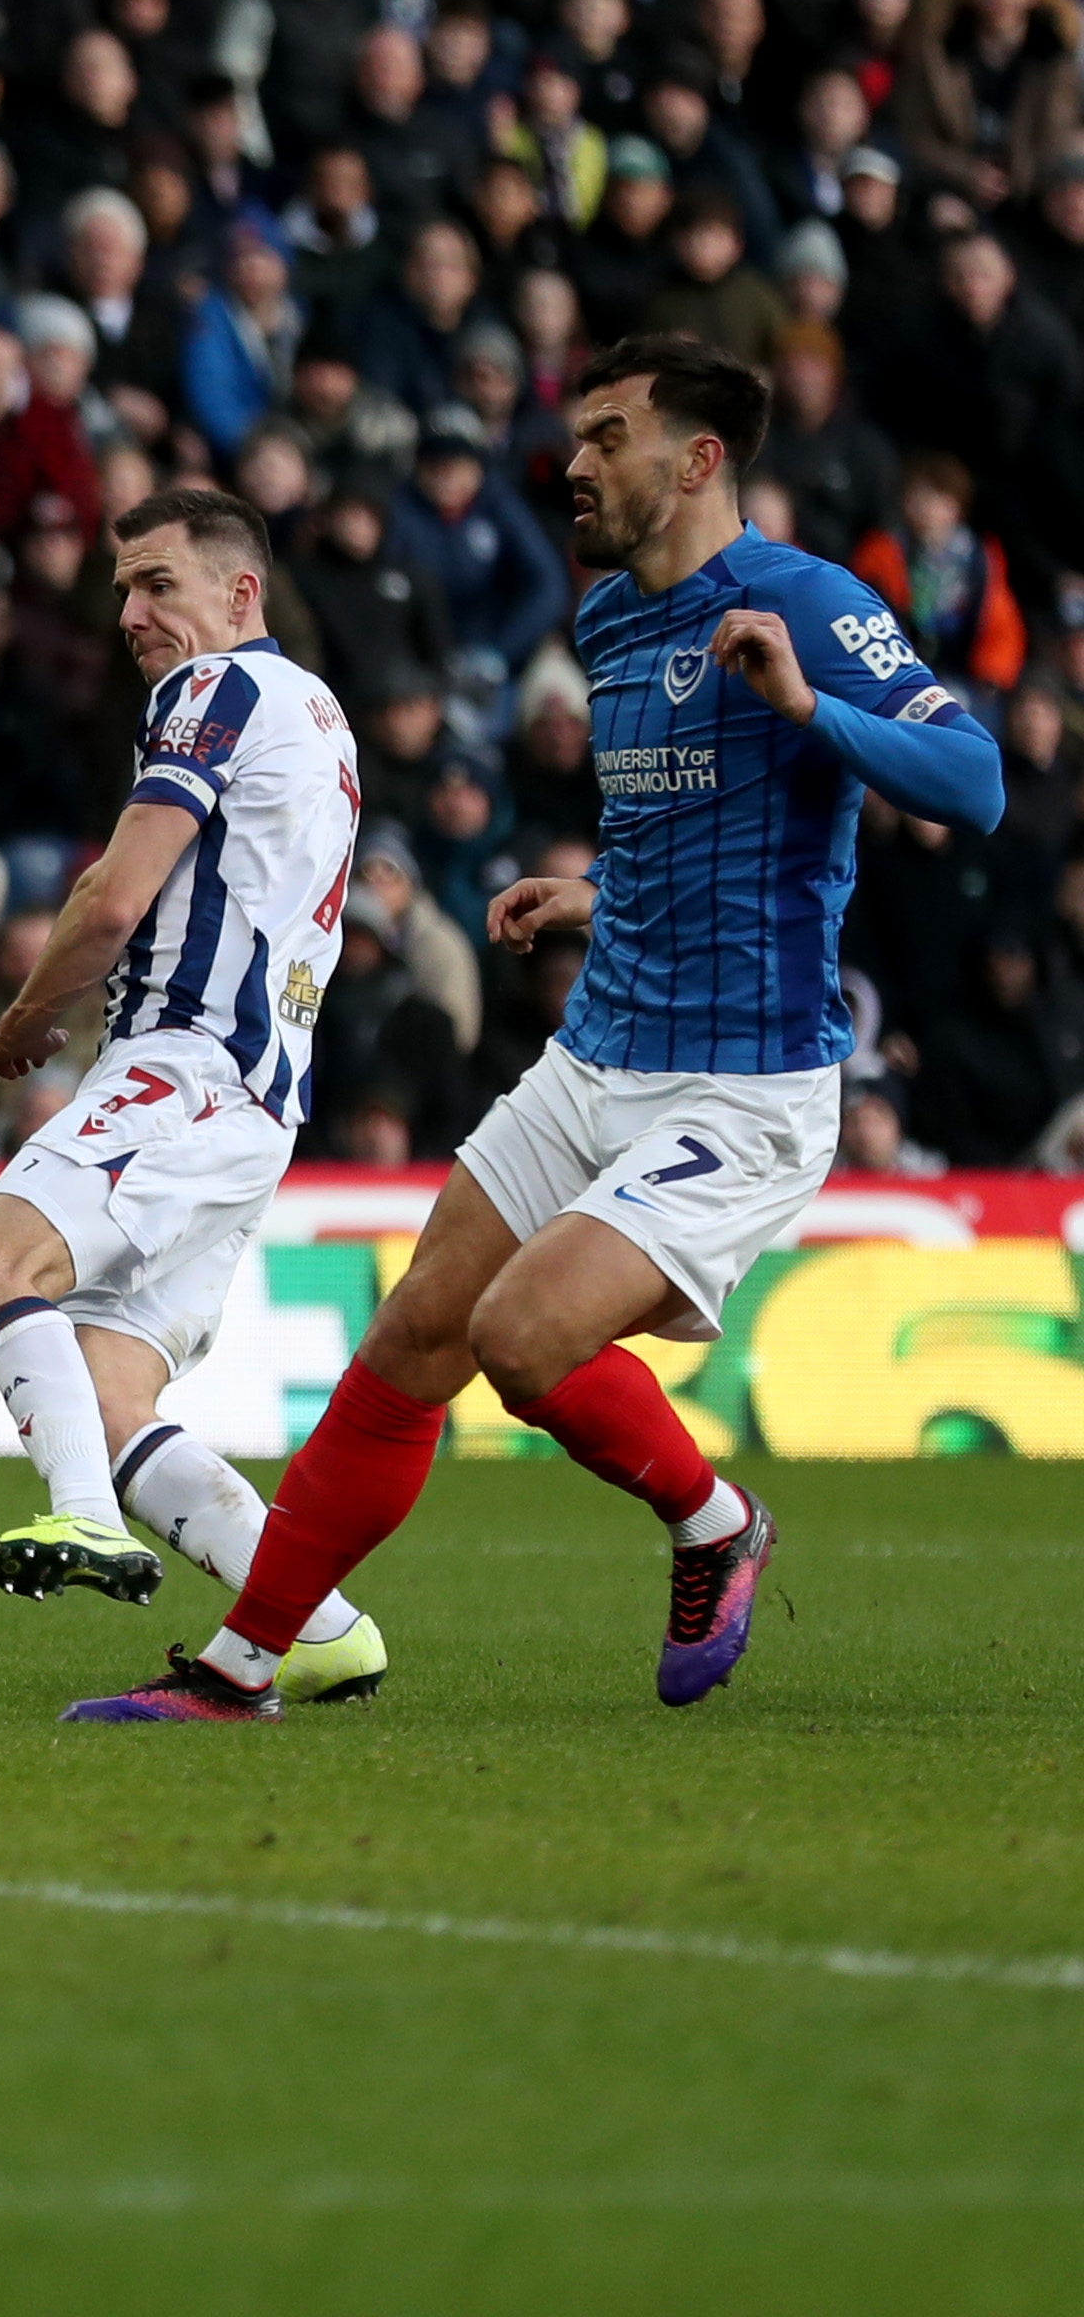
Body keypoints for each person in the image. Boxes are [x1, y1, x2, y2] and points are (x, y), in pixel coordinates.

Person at [70, 337, 1007, 1722]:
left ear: (697, 461)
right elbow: (691, 823)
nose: (573, 464)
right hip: (593, 1058)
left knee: (522, 1338)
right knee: (408, 1348)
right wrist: (596, 890)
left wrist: (809, 707)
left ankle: (713, 1522)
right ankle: (241, 1665)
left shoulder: (806, 603)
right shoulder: (613, 618)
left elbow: (975, 780)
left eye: (608, 437)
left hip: (740, 1088)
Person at [0, 483, 391, 1706]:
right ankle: (327, 1627)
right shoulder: (323, 716)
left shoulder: (215, 689)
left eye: (157, 584)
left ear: (244, 594)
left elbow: (116, 897)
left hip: (184, 1066)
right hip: (261, 1101)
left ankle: (83, 1523)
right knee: (113, 1393)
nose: (130, 611)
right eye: (122, 588)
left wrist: (29, 1017)